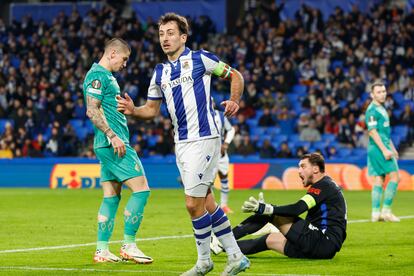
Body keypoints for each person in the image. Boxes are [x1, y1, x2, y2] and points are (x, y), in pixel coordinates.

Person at [117, 13, 250, 276]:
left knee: (192, 204)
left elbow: (236, 76)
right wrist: (133, 110)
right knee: (208, 202)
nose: (165, 38)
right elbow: (152, 110)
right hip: (182, 143)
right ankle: (236, 256)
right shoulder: (160, 72)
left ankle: (204, 262)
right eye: (161, 34)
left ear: (183, 37)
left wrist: (234, 99)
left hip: (206, 138)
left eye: (170, 33)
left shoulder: (201, 59)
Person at [83, 38, 152, 264]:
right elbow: (91, 111)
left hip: (107, 144)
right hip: (114, 143)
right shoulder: (97, 76)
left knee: (111, 197)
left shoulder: (107, 78)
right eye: (124, 59)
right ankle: (129, 245)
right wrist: (113, 136)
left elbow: (103, 108)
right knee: (141, 190)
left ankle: (102, 250)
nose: (125, 64)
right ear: (112, 53)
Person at [213, 153, 347, 259]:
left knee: (269, 214)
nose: (299, 171)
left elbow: (298, 209)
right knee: (268, 240)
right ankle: (223, 246)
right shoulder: (327, 185)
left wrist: (267, 208)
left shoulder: (323, 185)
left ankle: (223, 239)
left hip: (323, 241)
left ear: (316, 168)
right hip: (323, 248)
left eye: (303, 166)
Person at [365, 81, 400, 222]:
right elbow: (372, 132)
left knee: (379, 179)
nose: (382, 94)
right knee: (395, 177)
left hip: (380, 147)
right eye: (379, 92)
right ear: (372, 94)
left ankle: (375, 214)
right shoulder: (372, 110)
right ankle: (386, 211)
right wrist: (385, 150)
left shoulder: (381, 108)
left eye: (384, 91)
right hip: (379, 149)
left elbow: (384, 133)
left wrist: (392, 148)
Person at [212, 98, 236, 214]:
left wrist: (226, 144)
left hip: (221, 154)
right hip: (207, 153)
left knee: (224, 177)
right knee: (208, 181)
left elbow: (231, 130)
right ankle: (209, 206)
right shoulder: (199, 116)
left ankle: (224, 205)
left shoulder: (221, 116)